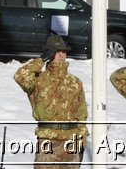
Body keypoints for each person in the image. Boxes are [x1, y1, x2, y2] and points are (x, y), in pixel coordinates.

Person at [14, 34, 87, 167]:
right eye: (56, 51)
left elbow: (81, 114)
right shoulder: (38, 80)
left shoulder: (75, 82)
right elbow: (20, 76)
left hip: (71, 142)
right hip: (47, 141)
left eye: (63, 51)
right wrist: (41, 60)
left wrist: (81, 142)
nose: (61, 55)